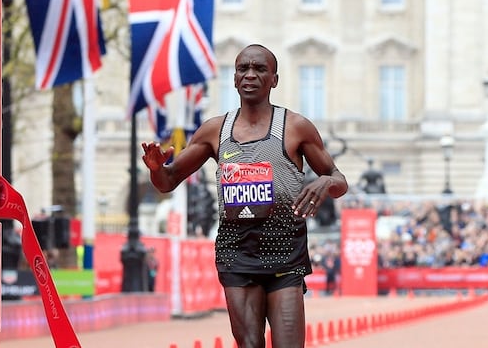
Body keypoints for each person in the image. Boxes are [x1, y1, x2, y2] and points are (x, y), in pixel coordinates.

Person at [142, 44, 348, 348]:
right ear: (235, 78)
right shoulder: (215, 130)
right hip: (236, 253)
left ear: (274, 80)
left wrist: (325, 181)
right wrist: (156, 168)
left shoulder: (295, 127)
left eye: (260, 69)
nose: (250, 74)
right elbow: (168, 181)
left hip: (285, 251)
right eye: (243, 69)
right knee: (250, 344)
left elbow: (339, 180)